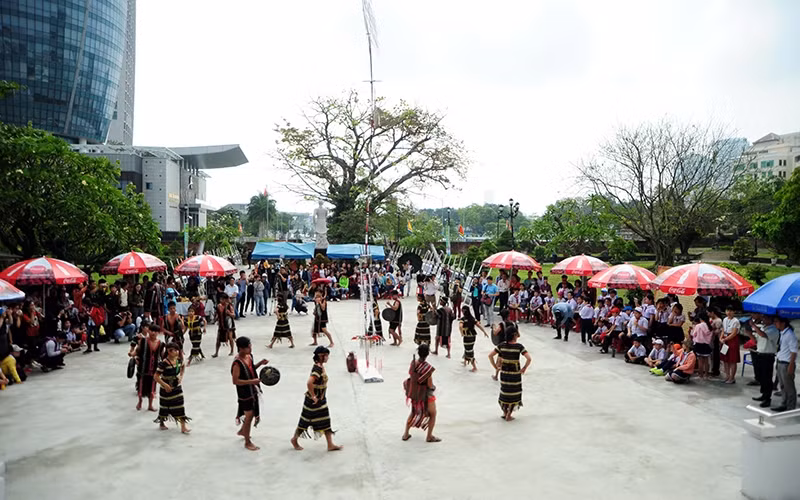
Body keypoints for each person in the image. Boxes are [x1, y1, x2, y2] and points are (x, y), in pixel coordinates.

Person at [291, 346, 342, 451]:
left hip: (321, 399)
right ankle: (294, 439)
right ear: (321, 356)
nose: (328, 357)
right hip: (313, 401)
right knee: (304, 422)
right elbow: (309, 382)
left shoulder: (321, 366)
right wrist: (314, 396)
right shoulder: (317, 368)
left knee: (326, 421)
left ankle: (330, 444)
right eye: (326, 355)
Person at [231, 336, 269, 451]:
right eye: (248, 347)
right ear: (241, 349)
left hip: (253, 390)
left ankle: (243, 431)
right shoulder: (237, 363)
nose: (250, 348)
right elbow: (235, 381)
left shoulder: (249, 356)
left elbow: (251, 369)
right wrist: (252, 381)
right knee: (249, 416)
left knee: (251, 414)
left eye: (250, 346)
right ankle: (247, 442)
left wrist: (260, 364)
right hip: (244, 393)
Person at [488, 329, 532, 422]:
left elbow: (490, 356)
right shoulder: (519, 347)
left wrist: (496, 367)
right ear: (514, 335)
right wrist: (524, 368)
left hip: (504, 374)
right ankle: (509, 415)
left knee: (505, 393)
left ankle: (504, 412)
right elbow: (529, 358)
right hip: (515, 374)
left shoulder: (502, 345)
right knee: (514, 394)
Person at [402, 343, 440, 443]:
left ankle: (406, 434)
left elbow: (412, 374)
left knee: (413, 412)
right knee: (433, 414)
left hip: (414, 392)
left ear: (418, 353)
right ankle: (429, 436)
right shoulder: (427, 368)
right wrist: (433, 387)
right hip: (424, 394)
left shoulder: (413, 363)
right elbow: (429, 385)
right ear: (427, 354)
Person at [154, 342, 191, 433]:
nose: (176, 352)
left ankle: (183, 426)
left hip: (176, 387)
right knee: (165, 406)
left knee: (180, 405)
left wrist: (181, 377)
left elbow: (183, 367)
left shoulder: (179, 360)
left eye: (176, 350)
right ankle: (162, 422)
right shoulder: (163, 363)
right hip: (166, 389)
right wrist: (164, 384)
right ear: (168, 352)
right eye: (173, 350)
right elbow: (156, 376)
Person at [749, 315, 779, 408]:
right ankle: (763, 394)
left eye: (765, 318)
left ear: (771, 319)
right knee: (761, 377)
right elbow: (756, 339)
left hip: (768, 355)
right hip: (760, 353)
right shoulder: (763, 327)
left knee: (767, 377)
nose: (763, 320)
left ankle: (767, 398)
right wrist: (749, 332)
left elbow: (764, 335)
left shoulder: (774, 329)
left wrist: (754, 326)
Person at [133, 325, 164, 412]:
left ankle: (150, 405)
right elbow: (138, 351)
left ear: (158, 332)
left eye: (155, 331)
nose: (153, 333)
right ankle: (140, 402)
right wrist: (133, 355)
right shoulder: (143, 341)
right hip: (143, 367)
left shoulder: (160, 343)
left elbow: (162, 355)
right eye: (151, 330)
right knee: (141, 385)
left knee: (152, 387)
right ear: (148, 331)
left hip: (154, 369)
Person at [771, 317, 797, 412]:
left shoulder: (790, 334)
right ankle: (784, 403)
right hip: (780, 361)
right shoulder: (782, 333)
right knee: (782, 385)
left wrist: (791, 365)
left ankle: (791, 406)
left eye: (776, 321)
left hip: (786, 363)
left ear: (783, 323)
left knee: (789, 386)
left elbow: (794, 351)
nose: (775, 323)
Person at [460, 306, 488, 372]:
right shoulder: (472, 318)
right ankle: (465, 361)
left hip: (467, 336)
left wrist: (462, 333)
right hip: (473, 336)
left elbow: (460, 326)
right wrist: (484, 331)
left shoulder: (463, 319)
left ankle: (474, 367)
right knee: (469, 348)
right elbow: (478, 325)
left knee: (468, 350)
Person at [720, 305, 741, 384]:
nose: (729, 312)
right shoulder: (724, 319)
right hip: (725, 339)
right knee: (725, 360)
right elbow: (723, 330)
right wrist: (721, 338)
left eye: (731, 311)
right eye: (727, 310)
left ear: (734, 312)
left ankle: (732, 377)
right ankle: (727, 376)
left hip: (732, 340)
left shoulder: (736, 321)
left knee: (732, 360)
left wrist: (725, 339)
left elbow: (734, 333)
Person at [689, 313, 713, 379]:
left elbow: (694, 334)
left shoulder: (698, 326)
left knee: (700, 360)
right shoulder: (709, 326)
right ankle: (706, 374)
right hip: (706, 344)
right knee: (706, 361)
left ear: (700, 319)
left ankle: (701, 374)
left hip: (699, 344)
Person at [214, 293, 236, 358]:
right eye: (221, 299)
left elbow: (233, 315)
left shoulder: (229, 306)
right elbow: (218, 314)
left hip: (229, 325)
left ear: (226, 300)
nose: (221, 300)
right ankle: (216, 352)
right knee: (218, 339)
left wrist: (229, 313)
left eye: (223, 299)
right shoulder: (218, 306)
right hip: (221, 325)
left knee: (230, 338)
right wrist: (216, 319)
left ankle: (232, 351)